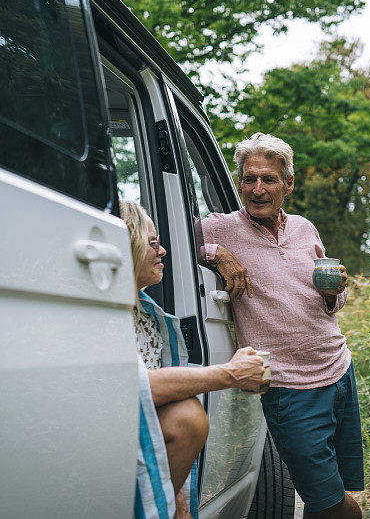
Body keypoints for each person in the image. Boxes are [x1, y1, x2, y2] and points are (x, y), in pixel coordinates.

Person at [199, 134, 364, 519]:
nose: (257, 189)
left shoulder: (305, 229)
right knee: (335, 506)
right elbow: (164, 238)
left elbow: (332, 303)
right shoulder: (221, 229)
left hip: (338, 368)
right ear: (239, 182)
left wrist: (335, 291)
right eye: (249, 179)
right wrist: (215, 253)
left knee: (328, 487)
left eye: (269, 179)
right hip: (288, 387)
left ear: (288, 184)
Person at [120, 201, 265, 519]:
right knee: (186, 416)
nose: (163, 251)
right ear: (126, 245)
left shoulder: (148, 316)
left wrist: (180, 507)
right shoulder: (108, 316)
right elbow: (136, 387)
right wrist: (230, 374)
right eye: (153, 242)